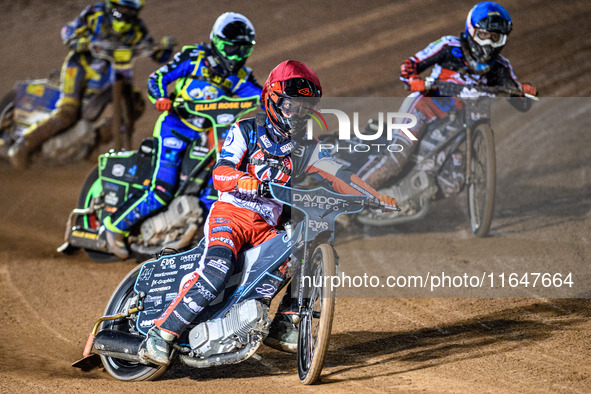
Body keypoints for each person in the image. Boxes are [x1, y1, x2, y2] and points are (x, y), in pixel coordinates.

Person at [137, 60, 398, 366]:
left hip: (268, 226)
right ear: (272, 99)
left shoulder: (306, 146)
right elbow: (220, 172)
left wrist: (374, 195)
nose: (296, 114)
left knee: (305, 243)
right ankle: (160, 334)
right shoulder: (245, 130)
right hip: (231, 215)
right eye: (290, 105)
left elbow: (340, 175)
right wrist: (239, 179)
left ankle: (285, 321)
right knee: (217, 269)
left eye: (304, 108)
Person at [102, 12, 262, 259]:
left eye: (242, 50)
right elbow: (158, 77)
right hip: (175, 128)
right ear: (218, 43)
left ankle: (216, 248)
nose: (235, 56)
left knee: (216, 192)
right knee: (162, 189)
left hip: (210, 137)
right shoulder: (194, 57)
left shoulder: (241, 77)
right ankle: (114, 227)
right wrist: (161, 98)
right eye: (231, 48)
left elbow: (265, 97)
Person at [357, 1, 538, 188]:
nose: (488, 42)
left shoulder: (501, 68)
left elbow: (522, 104)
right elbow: (410, 65)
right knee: (395, 159)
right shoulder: (449, 46)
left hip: (455, 125)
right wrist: (413, 80)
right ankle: (348, 202)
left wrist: (523, 92)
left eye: (495, 37)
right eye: (484, 34)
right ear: (472, 30)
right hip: (423, 108)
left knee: (453, 180)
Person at [8, 0, 174, 169]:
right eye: (122, 9)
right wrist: (77, 41)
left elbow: (156, 53)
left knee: (136, 105)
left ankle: (93, 142)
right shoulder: (96, 13)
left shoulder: (136, 27)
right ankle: (23, 145)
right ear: (112, 5)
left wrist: (165, 48)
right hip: (81, 66)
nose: (125, 14)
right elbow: (68, 30)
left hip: (115, 72)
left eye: (130, 11)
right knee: (68, 112)